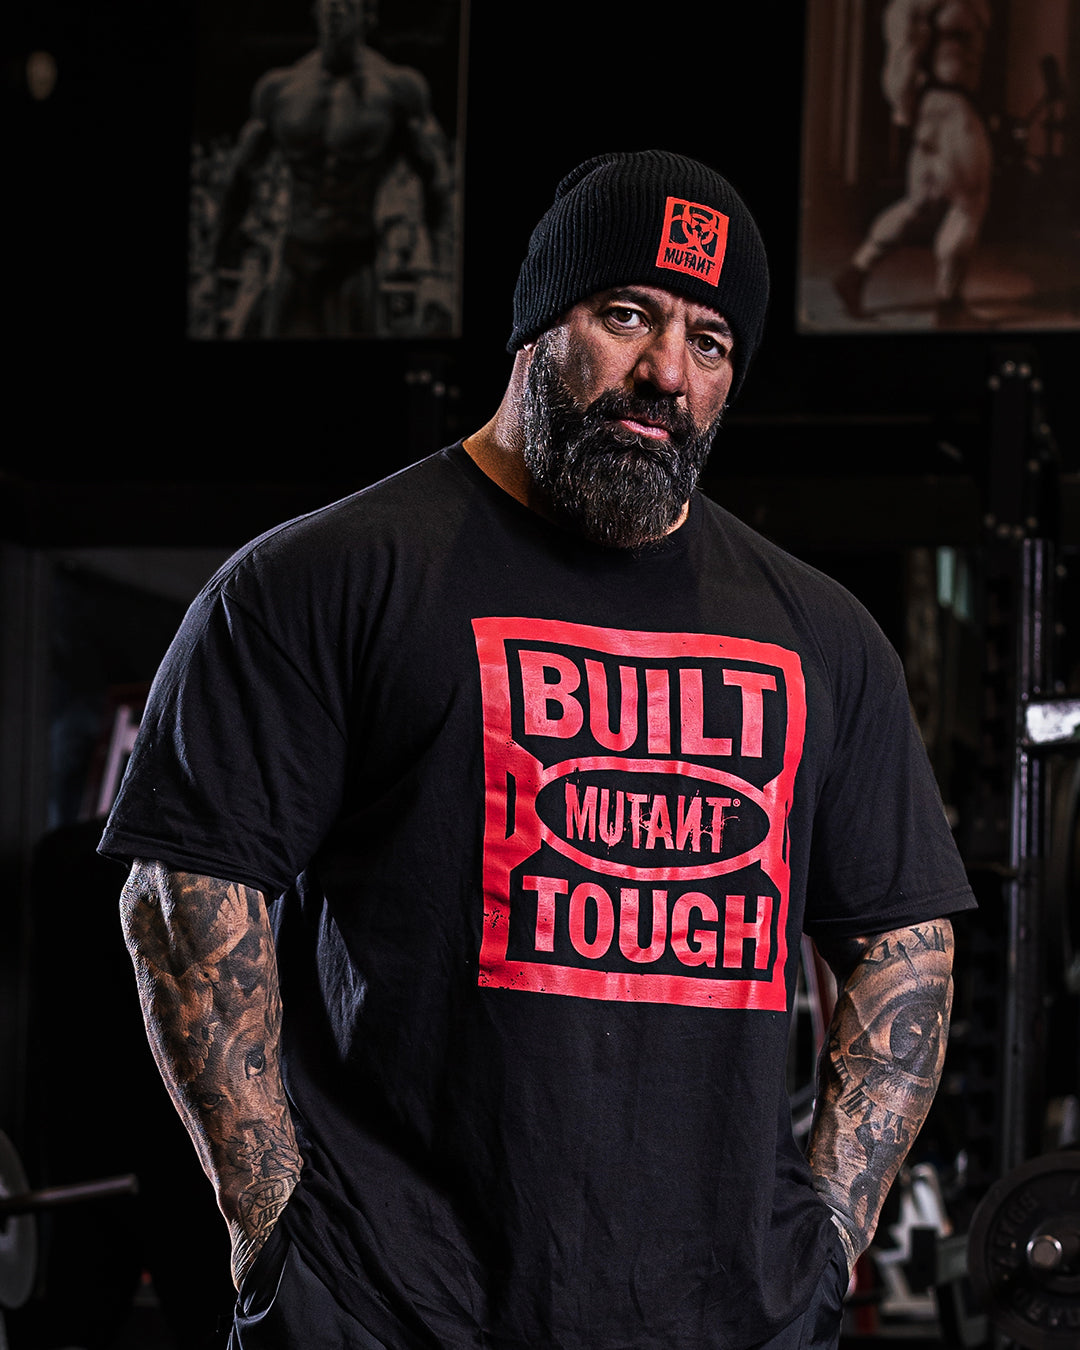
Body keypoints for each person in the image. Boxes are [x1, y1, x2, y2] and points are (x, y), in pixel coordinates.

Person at [103, 150, 977, 1350]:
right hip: (394, 1312)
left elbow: (902, 936)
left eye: (712, 342)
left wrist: (823, 1237)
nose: (666, 372)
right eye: (626, 315)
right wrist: (279, 1234)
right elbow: (187, 891)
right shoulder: (322, 583)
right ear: (536, 327)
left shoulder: (824, 637)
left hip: (721, 1317)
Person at [201, 0, 454, 337]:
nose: (334, 11)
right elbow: (238, 181)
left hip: (356, 266)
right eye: (327, 3)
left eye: (346, 4)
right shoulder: (280, 90)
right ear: (315, 12)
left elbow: (435, 182)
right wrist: (213, 265)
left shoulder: (397, 90)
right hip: (294, 261)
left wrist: (440, 274)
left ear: (367, 16)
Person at [833, 0, 992, 325]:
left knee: (921, 203)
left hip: (941, 105)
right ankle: (949, 306)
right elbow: (904, 45)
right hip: (949, 106)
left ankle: (855, 272)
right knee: (969, 202)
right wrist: (904, 106)